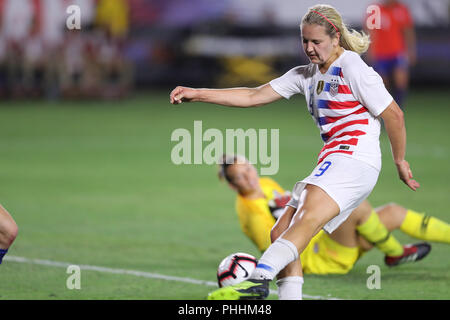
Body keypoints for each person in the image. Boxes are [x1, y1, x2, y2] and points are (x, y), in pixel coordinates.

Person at [170, 4, 420, 300]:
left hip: (354, 159)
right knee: (280, 231)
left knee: (304, 221)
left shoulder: (352, 67)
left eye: (317, 41)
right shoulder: (305, 75)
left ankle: (258, 280)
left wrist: (399, 160)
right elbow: (253, 95)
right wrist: (198, 93)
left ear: (335, 38)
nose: (310, 48)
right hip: (335, 160)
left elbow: (394, 115)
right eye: (305, 41)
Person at [218, 154, 448, 282]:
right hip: (318, 256)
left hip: (329, 239)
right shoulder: (250, 212)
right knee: (354, 205)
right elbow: (276, 246)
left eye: (247, 168)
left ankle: (401, 251)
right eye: (240, 176)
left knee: (393, 212)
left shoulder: (266, 184)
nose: (249, 177)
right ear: (232, 185)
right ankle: (396, 253)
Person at [365, 0, 416, 109]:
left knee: (401, 80)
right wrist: (370, 50)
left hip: (397, 52)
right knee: (382, 84)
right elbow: (370, 32)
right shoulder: (374, 10)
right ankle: (384, 109)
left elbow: (408, 31)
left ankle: (398, 108)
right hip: (380, 53)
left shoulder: (402, 9)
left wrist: (411, 50)